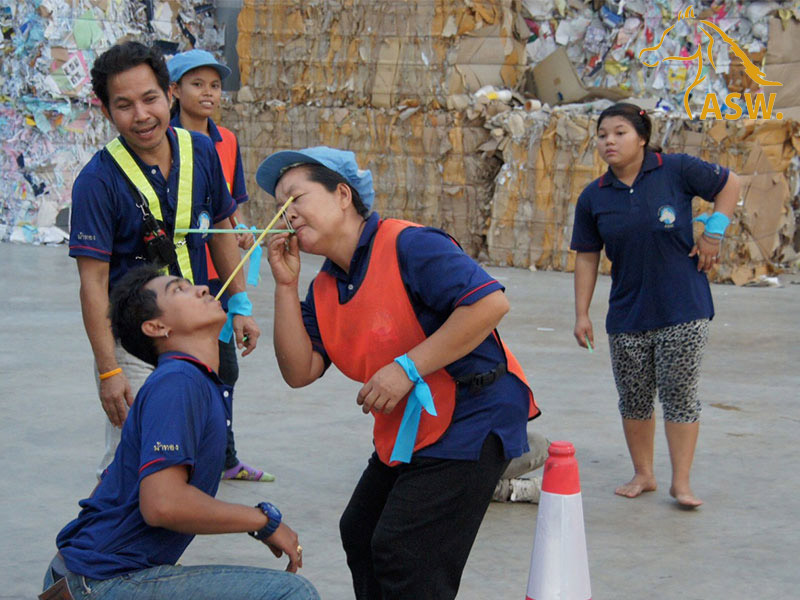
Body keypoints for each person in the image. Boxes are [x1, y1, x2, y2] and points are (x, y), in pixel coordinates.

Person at [260, 146, 541, 599]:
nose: (285, 215)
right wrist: (285, 285)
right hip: (412, 424)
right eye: (278, 207)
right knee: (360, 531)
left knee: (405, 551)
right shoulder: (326, 285)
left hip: (473, 410)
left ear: (343, 195)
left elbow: (490, 304)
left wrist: (407, 367)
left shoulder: (410, 244)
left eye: (296, 198)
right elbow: (300, 370)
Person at [41, 266, 318, 600]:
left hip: (87, 576)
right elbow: (163, 504)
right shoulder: (178, 383)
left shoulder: (190, 380)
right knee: (291, 594)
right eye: (179, 290)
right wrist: (262, 521)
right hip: (98, 582)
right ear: (157, 327)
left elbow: (114, 484)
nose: (202, 288)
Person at [68, 41, 260, 480]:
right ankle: (107, 523)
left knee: (191, 447)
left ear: (169, 95)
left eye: (150, 98)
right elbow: (92, 284)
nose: (141, 115)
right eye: (124, 105)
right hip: (136, 340)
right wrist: (110, 370)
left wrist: (239, 304)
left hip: (194, 331)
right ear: (106, 111)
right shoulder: (97, 181)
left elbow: (220, 227)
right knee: (134, 456)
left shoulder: (202, 151)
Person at [570, 102, 740, 508]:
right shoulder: (594, 196)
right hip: (627, 312)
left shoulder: (675, 169)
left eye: (620, 133)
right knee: (633, 396)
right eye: (602, 135)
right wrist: (581, 313)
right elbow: (587, 256)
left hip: (683, 306)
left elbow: (729, 183)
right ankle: (643, 474)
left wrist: (714, 232)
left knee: (679, 395)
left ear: (642, 138)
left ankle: (681, 483)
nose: (609, 141)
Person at [167, 48, 272, 482]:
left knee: (225, 366)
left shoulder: (226, 141)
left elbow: (231, 205)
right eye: (197, 84)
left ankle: (223, 457)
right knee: (184, 364)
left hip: (221, 270)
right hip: (180, 270)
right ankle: (185, 455)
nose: (208, 93)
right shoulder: (163, 140)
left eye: (214, 85)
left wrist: (240, 229)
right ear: (174, 91)